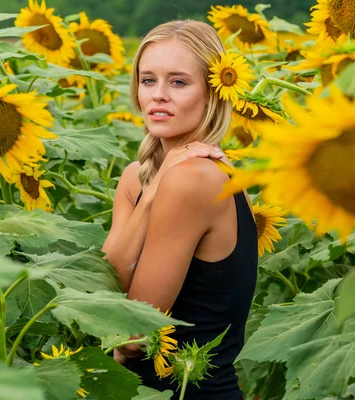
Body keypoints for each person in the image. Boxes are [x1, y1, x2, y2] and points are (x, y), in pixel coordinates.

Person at [101, 20, 258, 399]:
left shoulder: (196, 179)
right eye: (148, 80)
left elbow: (134, 334)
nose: (158, 95)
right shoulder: (137, 179)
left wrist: (116, 342)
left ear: (212, 94)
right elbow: (99, 285)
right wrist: (151, 192)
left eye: (178, 82)